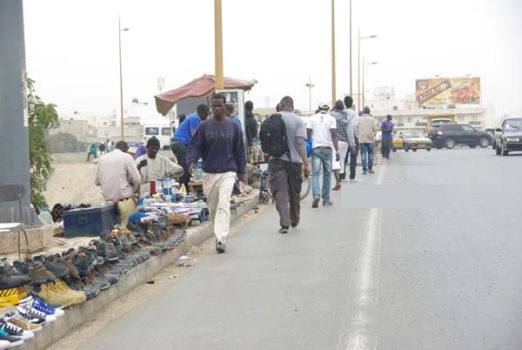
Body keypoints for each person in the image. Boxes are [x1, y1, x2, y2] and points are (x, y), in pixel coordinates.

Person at [187, 94, 246, 253]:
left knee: (223, 203)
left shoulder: (234, 127)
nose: (218, 109)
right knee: (213, 207)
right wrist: (191, 162)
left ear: (225, 107)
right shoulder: (204, 127)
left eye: (220, 106)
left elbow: (240, 150)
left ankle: (221, 238)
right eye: (215, 106)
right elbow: (194, 147)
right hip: (209, 173)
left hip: (228, 171)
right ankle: (218, 233)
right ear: (211, 107)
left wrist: (241, 172)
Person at [268, 96, 309, 234]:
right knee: (294, 191)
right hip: (294, 162)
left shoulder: (272, 118)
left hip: (276, 160)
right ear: (291, 105)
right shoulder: (298, 120)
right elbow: (300, 142)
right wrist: (305, 161)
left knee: (280, 191)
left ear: (281, 105)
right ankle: (294, 218)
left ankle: (284, 223)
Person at [95, 141, 141, 225]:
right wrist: (133, 191)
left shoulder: (102, 159)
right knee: (130, 226)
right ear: (125, 149)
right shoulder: (126, 157)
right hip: (124, 200)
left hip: (107, 200)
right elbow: (137, 179)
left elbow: (97, 182)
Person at [307, 101, 340, 208]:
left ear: (318, 107)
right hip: (327, 149)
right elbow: (334, 135)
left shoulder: (312, 118)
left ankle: (316, 194)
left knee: (315, 174)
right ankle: (326, 199)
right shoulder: (332, 119)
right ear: (328, 108)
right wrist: (337, 150)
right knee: (327, 173)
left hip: (315, 148)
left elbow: (307, 133)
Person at [171, 105, 209, 192]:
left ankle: (185, 188)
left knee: (186, 166)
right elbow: (195, 137)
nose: (207, 116)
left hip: (180, 144)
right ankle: (185, 190)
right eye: (206, 114)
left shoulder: (194, 118)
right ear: (201, 112)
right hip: (180, 144)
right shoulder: (195, 119)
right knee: (185, 168)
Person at [330, 100, 349, 191]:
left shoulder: (331, 115)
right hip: (345, 141)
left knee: (335, 161)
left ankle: (338, 182)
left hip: (335, 140)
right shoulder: (346, 115)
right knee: (341, 161)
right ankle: (340, 180)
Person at [356, 106, 378, 174]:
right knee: (370, 154)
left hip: (362, 139)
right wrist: (374, 134)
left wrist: (358, 135)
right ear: (369, 112)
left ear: (363, 112)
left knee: (363, 154)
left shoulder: (359, 119)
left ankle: (364, 170)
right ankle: (370, 169)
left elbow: (355, 128)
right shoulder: (372, 119)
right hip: (370, 139)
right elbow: (375, 129)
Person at [343, 96, 358, 182]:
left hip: (343, 137)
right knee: (353, 157)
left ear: (344, 103)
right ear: (352, 103)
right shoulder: (354, 113)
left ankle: (342, 176)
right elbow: (355, 126)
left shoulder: (342, 113)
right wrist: (356, 136)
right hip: (352, 137)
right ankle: (352, 177)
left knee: (343, 158)